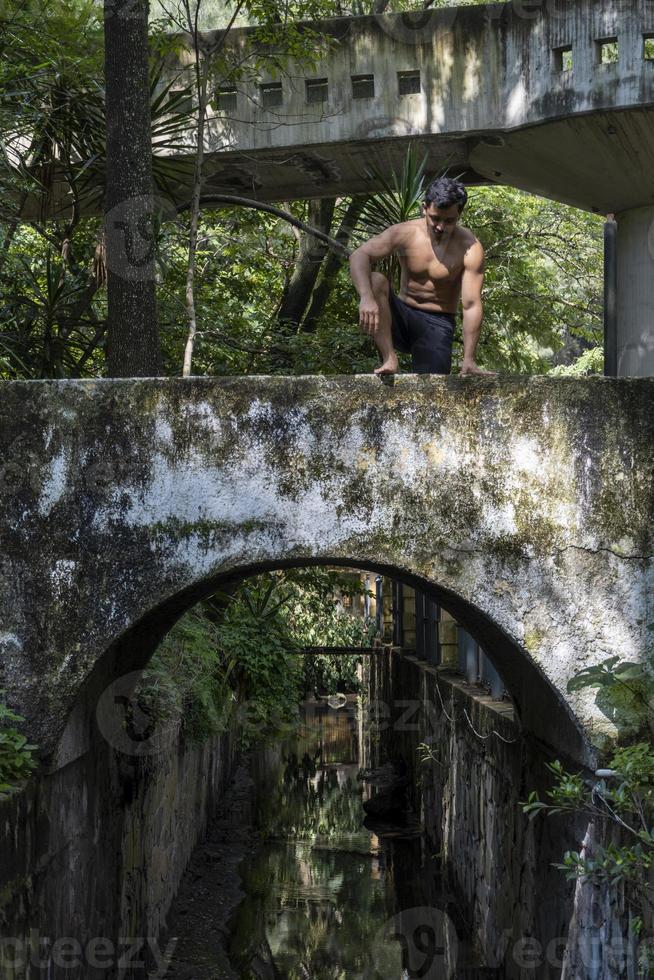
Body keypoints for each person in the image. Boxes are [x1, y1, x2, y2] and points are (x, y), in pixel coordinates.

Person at [349, 176, 495, 376]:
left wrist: (469, 359)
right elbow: (360, 255)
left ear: (459, 214)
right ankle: (389, 358)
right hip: (400, 317)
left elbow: (471, 305)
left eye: (449, 220)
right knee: (375, 280)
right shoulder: (405, 232)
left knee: (434, 388)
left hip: (438, 323)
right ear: (424, 207)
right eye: (435, 218)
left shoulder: (470, 247)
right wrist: (366, 297)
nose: (441, 227)